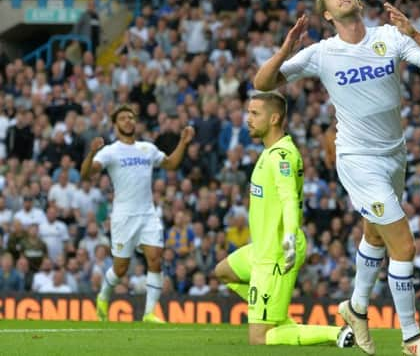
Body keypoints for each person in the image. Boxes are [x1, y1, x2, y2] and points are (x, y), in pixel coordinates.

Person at [254, 0, 420, 356]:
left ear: (359, 1)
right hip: (357, 159)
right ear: (327, 13)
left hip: (394, 155)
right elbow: (264, 83)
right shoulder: (321, 52)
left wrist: (414, 33)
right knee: (403, 246)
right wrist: (285, 49)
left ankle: (356, 307)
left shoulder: (389, 37)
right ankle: (411, 338)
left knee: (376, 235)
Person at [214, 92, 353, 347]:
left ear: (275, 118)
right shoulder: (270, 152)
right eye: (248, 112)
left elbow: (289, 199)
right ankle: (276, 316)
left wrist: (289, 235)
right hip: (262, 249)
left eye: (255, 113)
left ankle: (337, 334)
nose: (248, 119)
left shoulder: (282, 156)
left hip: (277, 252)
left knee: (259, 338)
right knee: (223, 272)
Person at [80, 104, 194, 323]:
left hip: (148, 215)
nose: (129, 121)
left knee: (155, 259)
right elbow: (87, 174)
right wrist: (92, 152)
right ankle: (103, 296)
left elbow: (170, 164)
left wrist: (183, 143)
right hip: (123, 217)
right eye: (123, 118)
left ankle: (150, 313)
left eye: (131, 117)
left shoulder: (147, 149)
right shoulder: (110, 151)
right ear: (115, 125)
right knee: (120, 269)